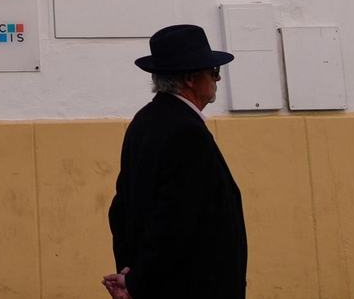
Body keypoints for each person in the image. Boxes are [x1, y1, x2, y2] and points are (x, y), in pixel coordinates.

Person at [104, 24, 247, 299]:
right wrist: (138, 283)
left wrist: (129, 272)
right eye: (213, 72)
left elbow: (120, 208)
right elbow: (173, 222)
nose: (217, 80)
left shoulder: (144, 121)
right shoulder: (187, 132)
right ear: (191, 79)